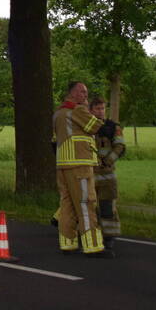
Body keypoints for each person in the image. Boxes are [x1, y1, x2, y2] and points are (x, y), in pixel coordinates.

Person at [53, 80, 111, 257]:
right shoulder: (77, 109)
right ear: (72, 94)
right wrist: (87, 108)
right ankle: (93, 246)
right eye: (82, 92)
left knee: (67, 204)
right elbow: (95, 126)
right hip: (79, 164)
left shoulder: (58, 113)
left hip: (62, 164)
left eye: (86, 93)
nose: (85, 96)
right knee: (86, 203)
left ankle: (68, 243)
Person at [90, 96, 126, 249]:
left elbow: (120, 147)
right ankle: (91, 238)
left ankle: (109, 240)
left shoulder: (113, 127)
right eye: (97, 108)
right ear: (90, 110)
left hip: (107, 175)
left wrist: (107, 161)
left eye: (103, 108)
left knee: (107, 208)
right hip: (89, 174)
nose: (101, 111)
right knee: (89, 209)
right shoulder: (85, 126)